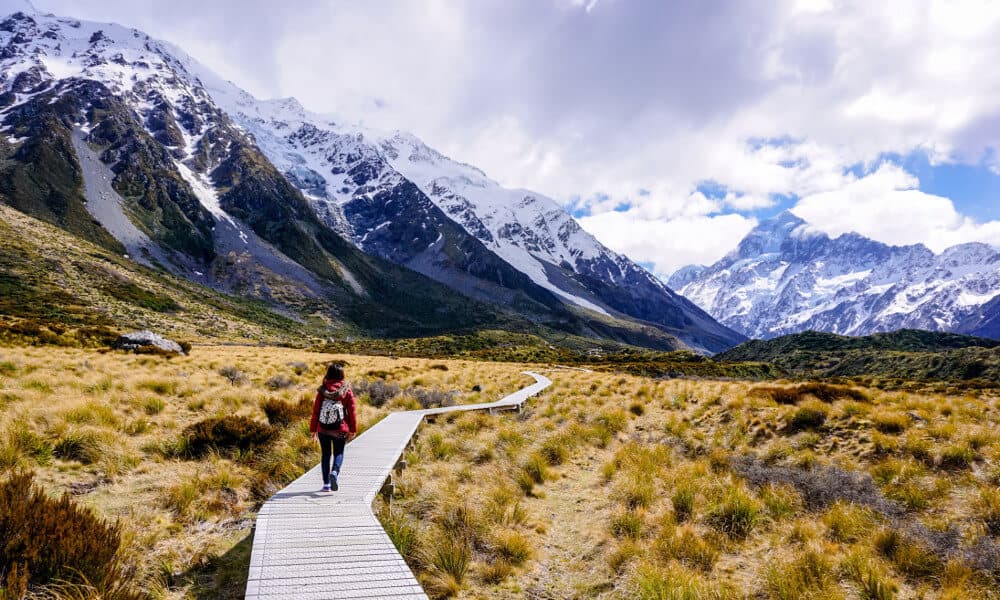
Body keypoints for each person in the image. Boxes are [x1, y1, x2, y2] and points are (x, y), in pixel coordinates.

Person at [309, 363, 357, 492]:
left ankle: (326, 485)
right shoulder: (346, 390)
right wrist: (352, 429)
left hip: (323, 429)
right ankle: (334, 472)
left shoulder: (322, 390)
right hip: (340, 429)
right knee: (338, 453)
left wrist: (313, 429)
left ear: (328, 374)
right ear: (342, 375)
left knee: (325, 455)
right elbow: (352, 412)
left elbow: (316, 411)